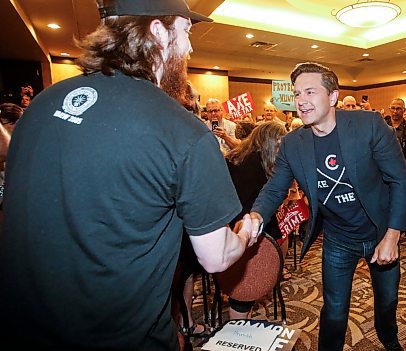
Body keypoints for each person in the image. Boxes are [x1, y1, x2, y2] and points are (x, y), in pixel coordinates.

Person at [0, 1, 255, 350]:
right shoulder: (183, 131)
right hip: (118, 336)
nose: (191, 47)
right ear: (158, 32)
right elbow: (216, 256)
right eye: (186, 32)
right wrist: (245, 234)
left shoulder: (43, 103)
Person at [249, 62, 406, 351]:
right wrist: (255, 215)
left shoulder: (369, 125)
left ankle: (389, 339)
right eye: (297, 93)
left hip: (380, 232)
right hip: (338, 239)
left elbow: (400, 180)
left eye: (310, 91)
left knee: (387, 301)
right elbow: (275, 188)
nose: (301, 100)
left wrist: (392, 236)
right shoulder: (292, 143)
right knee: (335, 310)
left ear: (333, 97)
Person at [225, 121, 287, 320]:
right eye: (278, 145)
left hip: (235, 227)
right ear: (268, 143)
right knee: (245, 290)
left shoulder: (240, 156)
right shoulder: (254, 164)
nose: (281, 150)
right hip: (246, 228)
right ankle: (237, 333)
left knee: (244, 287)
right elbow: (246, 202)